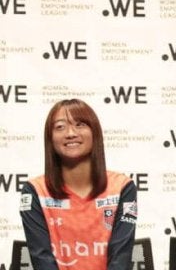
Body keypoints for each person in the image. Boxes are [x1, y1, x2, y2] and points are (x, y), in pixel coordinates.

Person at [20, 99, 138, 270]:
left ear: (94, 132)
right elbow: (42, 260)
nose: (70, 133)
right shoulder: (35, 190)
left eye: (80, 124)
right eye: (60, 127)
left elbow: (121, 259)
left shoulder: (122, 187)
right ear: (50, 138)